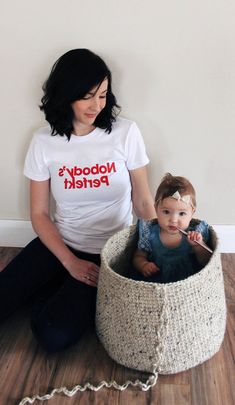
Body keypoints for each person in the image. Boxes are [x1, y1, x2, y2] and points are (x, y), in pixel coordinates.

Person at [0, 49, 156, 352]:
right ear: (66, 94)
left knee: (51, 335)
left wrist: (155, 247)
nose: (96, 105)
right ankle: (58, 279)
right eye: (87, 96)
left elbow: (143, 201)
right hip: (60, 242)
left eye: (103, 95)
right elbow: (40, 214)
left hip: (107, 254)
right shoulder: (44, 142)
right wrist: (69, 262)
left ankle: (54, 291)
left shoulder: (126, 133)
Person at [131, 173, 212, 283]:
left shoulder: (194, 234)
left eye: (182, 213)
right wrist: (143, 265)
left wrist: (198, 245)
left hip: (188, 283)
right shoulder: (149, 233)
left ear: (192, 213)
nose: (173, 220)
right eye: (166, 212)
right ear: (156, 209)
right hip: (155, 283)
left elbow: (206, 261)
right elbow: (138, 257)